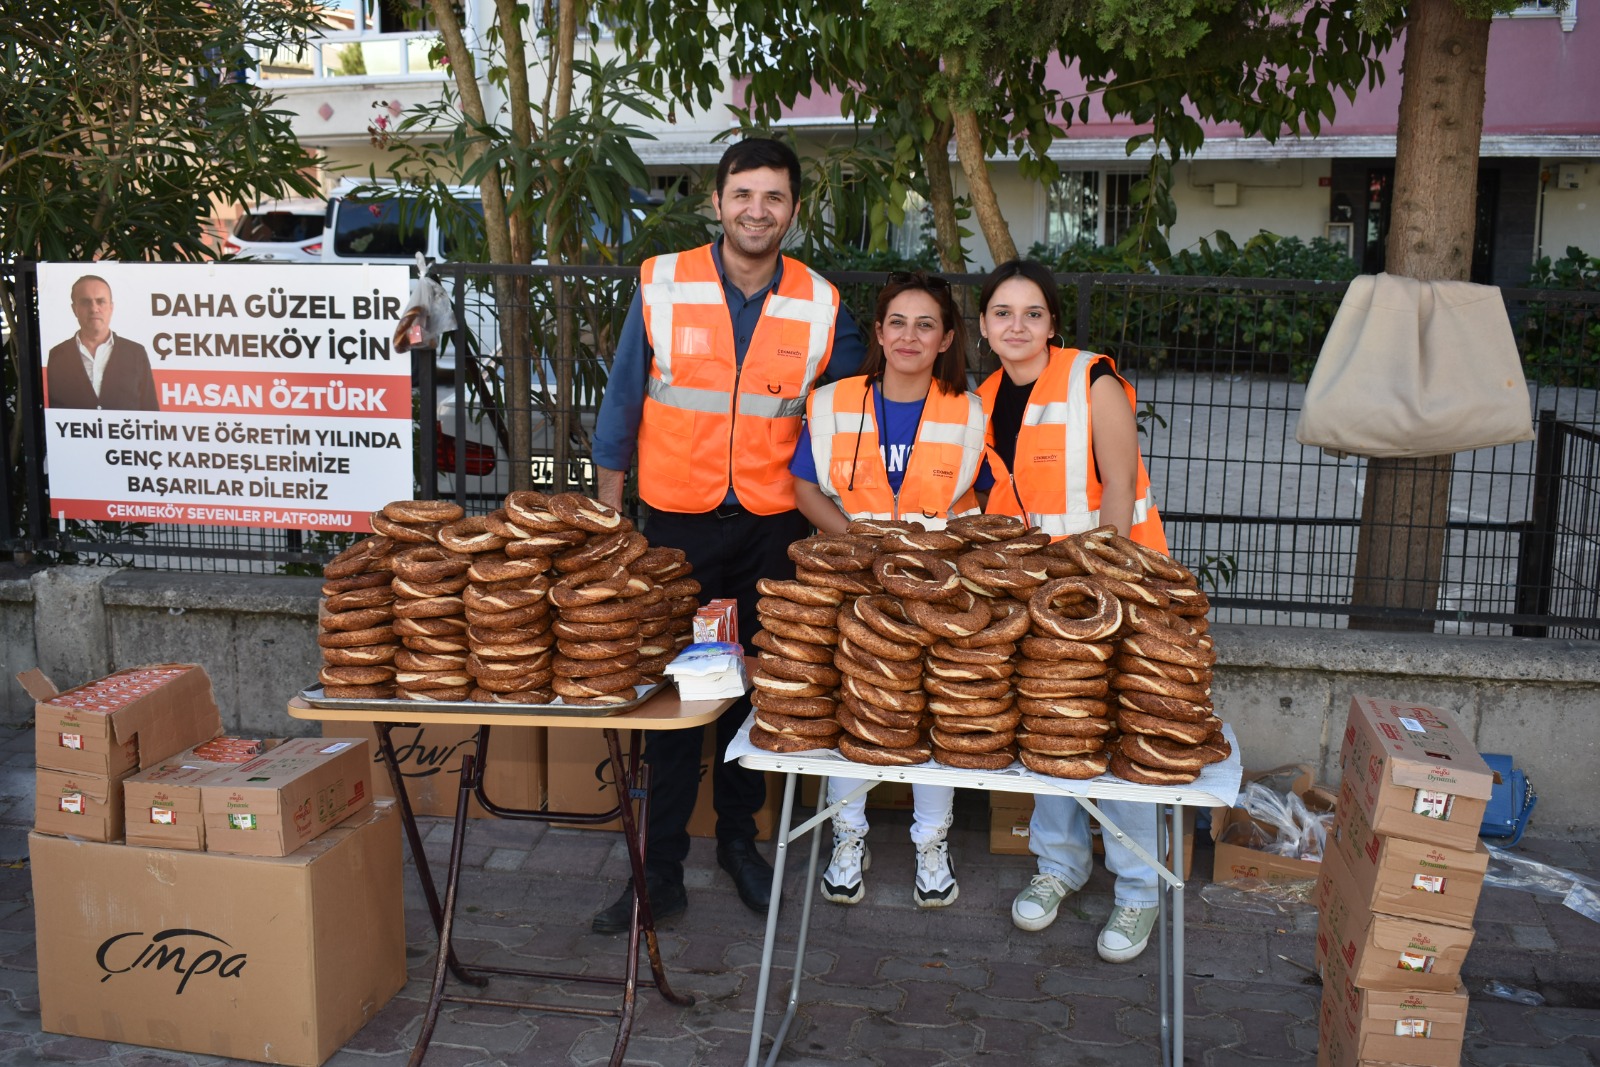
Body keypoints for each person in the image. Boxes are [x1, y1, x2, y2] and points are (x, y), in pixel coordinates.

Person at [588, 138, 865, 933]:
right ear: (717, 201)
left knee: (756, 691)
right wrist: (613, 528)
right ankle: (660, 868)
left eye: (773, 197)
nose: (757, 210)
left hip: (771, 535)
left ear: (794, 211)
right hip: (677, 533)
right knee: (681, 695)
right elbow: (621, 409)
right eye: (743, 194)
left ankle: (740, 843)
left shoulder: (821, 302)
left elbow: (841, 423)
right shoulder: (662, 282)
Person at [975, 258, 1170, 963]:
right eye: (1003, 312)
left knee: (1116, 737)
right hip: (1037, 594)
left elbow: (1118, 483)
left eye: (1033, 313)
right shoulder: (987, 394)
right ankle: (1060, 866)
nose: (1017, 325)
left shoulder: (1094, 379)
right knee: (1051, 729)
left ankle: (1138, 891)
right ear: (984, 325)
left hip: (1113, 587)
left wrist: (1099, 589)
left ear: (1053, 323)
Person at [790, 271, 987, 908]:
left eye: (925, 324)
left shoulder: (968, 410)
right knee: (854, 707)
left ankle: (932, 841)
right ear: (878, 332)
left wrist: (934, 555)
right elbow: (805, 489)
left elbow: (979, 498)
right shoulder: (831, 401)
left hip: (938, 584)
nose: (909, 335)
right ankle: (849, 836)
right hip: (850, 577)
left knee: (933, 710)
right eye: (897, 322)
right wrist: (857, 541)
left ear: (946, 337)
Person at [46, 275, 160, 411]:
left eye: (101, 301)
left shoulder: (135, 353)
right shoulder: (57, 355)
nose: (94, 309)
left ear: (111, 307)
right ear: (74, 309)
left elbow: (151, 411)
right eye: (85, 302)